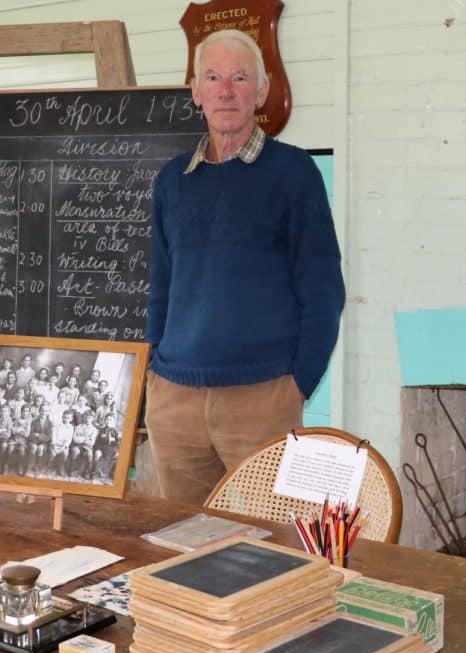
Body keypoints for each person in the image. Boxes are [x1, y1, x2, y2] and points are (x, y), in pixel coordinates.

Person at [145, 29, 345, 504]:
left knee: (273, 548)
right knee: (181, 542)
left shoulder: (293, 174)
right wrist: (154, 368)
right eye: (212, 77)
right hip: (175, 401)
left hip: (263, 399)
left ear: (261, 92)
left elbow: (323, 289)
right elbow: (161, 287)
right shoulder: (172, 180)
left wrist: (297, 385)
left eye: (240, 77)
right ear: (195, 91)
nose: (226, 90)